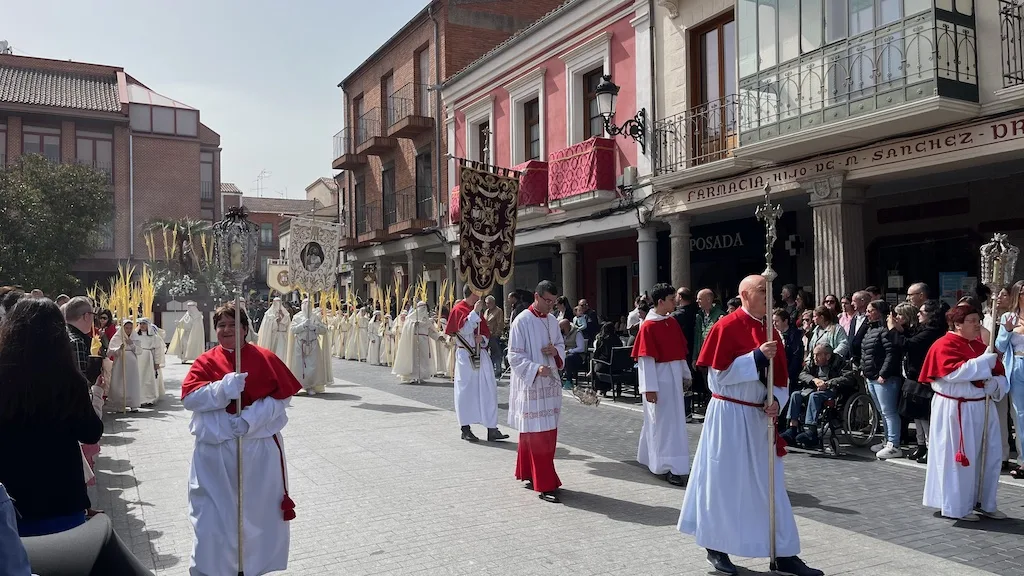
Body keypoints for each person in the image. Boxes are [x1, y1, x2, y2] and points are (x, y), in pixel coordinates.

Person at [679, 275, 822, 576]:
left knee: (770, 485)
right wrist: (756, 357)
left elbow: (781, 380)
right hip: (729, 414)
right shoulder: (726, 326)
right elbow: (716, 378)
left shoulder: (771, 330)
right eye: (762, 291)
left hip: (759, 418)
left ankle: (783, 552)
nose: (769, 296)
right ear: (744, 294)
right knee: (725, 482)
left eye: (771, 291)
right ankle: (716, 546)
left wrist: (777, 402)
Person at [180, 303, 301, 576]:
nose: (226, 330)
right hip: (215, 455)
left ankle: (250, 568)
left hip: (256, 452)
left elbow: (282, 399)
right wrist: (222, 389)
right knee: (211, 519)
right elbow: (189, 399)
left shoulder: (265, 357)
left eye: (233, 324)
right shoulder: (205, 361)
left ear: (245, 329)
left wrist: (248, 420)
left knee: (255, 517)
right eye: (221, 325)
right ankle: (211, 570)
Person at [0, 298, 103, 536]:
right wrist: (95, 396)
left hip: (11, 500)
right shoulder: (68, 382)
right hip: (61, 497)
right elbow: (91, 432)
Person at [919, 303, 1008, 522]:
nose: (977, 325)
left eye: (978, 321)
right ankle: (956, 506)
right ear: (957, 324)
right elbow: (953, 374)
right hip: (956, 409)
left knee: (990, 455)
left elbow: (1001, 375)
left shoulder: (980, 346)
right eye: (972, 321)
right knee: (959, 459)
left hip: (983, 407)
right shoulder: (943, 345)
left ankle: (985, 502)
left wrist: (994, 385)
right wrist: (983, 363)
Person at [508, 280, 566, 504]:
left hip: (550, 384)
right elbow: (513, 355)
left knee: (546, 431)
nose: (550, 306)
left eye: (553, 301)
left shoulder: (552, 320)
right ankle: (545, 484)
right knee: (538, 433)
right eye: (547, 301)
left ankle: (528, 472)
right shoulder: (522, 321)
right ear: (537, 296)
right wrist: (535, 368)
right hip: (531, 384)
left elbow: (561, 345)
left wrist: (555, 351)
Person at [633, 283, 692, 486]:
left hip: (673, 378)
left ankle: (662, 460)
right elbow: (645, 360)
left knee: (673, 423)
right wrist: (649, 388)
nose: (675, 301)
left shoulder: (671, 322)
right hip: (659, 380)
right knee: (663, 424)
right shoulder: (648, 326)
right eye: (671, 298)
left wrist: (686, 375)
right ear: (660, 302)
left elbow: (679, 352)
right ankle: (667, 466)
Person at [446, 286, 509, 443]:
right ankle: (465, 428)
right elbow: (463, 329)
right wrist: (474, 312)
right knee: (466, 391)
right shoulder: (459, 309)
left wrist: (484, 339)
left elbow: (484, 332)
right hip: (465, 355)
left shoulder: (477, 310)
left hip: (480, 354)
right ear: (472, 293)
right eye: (477, 293)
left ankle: (491, 428)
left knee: (488, 390)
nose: (480, 297)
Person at [286, 299, 328, 395]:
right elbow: (292, 330)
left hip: (312, 344)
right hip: (300, 343)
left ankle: (310, 386)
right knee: (298, 366)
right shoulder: (297, 317)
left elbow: (323, 330)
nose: (307, 306)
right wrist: (302, 325)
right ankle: (297, 386)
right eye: (305, 304)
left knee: (312, 366)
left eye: (309, 304)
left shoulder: (316, 317)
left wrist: (315, 328)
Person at [393, 302, 440, 384]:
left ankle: (421, 376)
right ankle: (414, 376)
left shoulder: (427, 320)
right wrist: (414, 325)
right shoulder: (411, 318)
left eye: (425, 308)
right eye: (422, 308)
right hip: (414, 340)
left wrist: (438, 337)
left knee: (423, 359)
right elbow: (407, 328)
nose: (424, 310)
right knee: (415, 358)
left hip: (424, 340)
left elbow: (430, 331)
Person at [107, 319, 141, 413]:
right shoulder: (117, 337)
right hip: (120, 362)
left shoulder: (135, 336)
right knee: (119, 381)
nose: (128, 330)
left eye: (130, 328)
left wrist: (132, 345)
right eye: (126, 328)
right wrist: (119, 348)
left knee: (132, 382)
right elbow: (110, 351)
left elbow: (139, 350)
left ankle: (133, 403)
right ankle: (120, 404)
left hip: (132, 363)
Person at [135, 318, 166, 407]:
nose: (142, 326)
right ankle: (139, 398)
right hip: (138, 359)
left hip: (149, 359)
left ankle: (149, 398)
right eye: (140, 324)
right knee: (139, 378)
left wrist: (157, 362)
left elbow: (158, 350)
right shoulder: (136, 336)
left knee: (148, 378)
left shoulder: (154, 337)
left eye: (144, 324)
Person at [257, 297, 291, 361]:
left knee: (281, 353)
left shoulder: (286, 314)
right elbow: (267, 326)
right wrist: (275, 322)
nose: (277, 304)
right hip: (272, 336)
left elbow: (288, 325)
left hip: (282, 336)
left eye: (279, 303)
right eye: (276, 303)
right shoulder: (269, 314)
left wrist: (282, 317)